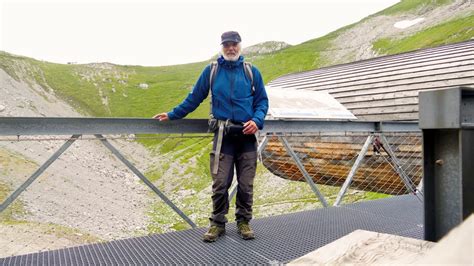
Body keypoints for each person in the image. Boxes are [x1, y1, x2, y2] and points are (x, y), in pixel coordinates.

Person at [153, 31, 269, 242]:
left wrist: (257, 120)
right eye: (227, 45)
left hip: (246, 135)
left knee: (246, 184)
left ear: (240, 46)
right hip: (223, 136)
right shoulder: (212, 71)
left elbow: (262, 101)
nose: (231, 48)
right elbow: (194, 98)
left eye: (234, 44)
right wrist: (172, 114)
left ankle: (243, 222)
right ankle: (217, 223)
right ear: (221, 47)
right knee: (220, 183)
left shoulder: (251, 71)